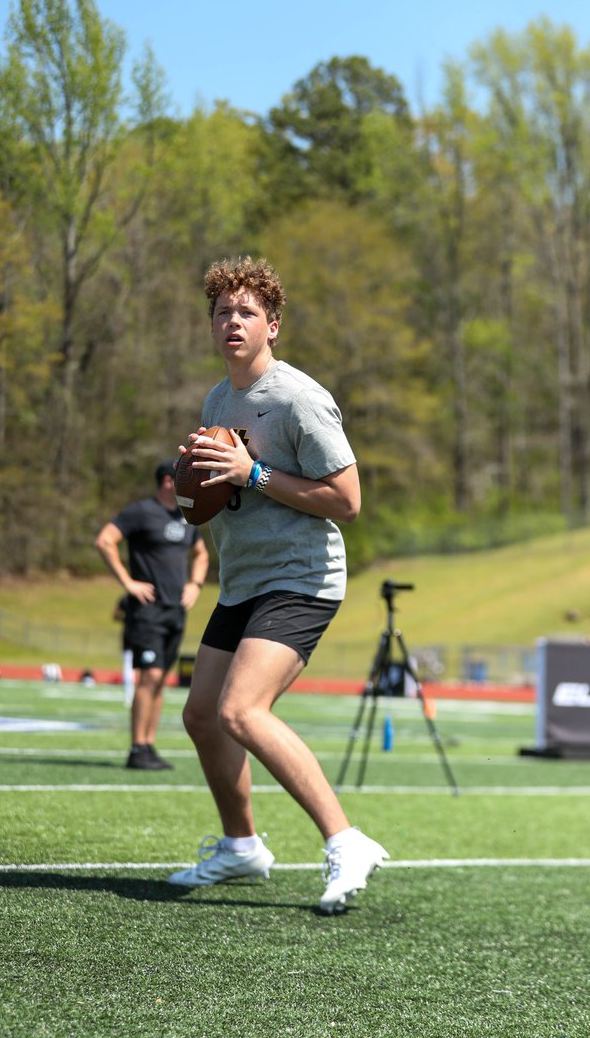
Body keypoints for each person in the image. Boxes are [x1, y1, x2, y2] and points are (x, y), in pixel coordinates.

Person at [167, 256, 388, 914]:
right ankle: (241, 849)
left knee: (242, 711)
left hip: (302, 578)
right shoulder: (217, 399)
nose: (231, 322)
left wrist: (250, 473)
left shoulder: (299, 398)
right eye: (221, 313)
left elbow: (347, 501)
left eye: (246, 313)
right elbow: (214, 492)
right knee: (203, 716)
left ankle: (347, 841)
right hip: (242, 583)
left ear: (274, 326)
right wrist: (197, 488)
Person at [95, 460, 209, 771]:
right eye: (183, 479)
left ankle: (149, 746)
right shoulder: (140, 512)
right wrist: (128, 583)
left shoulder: (188, 517)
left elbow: (201, 554)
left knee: (161, 682)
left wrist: (195, 585)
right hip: (147, 611)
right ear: (167, 482)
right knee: (151, 676)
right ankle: (136, 748)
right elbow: (105, 540)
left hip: (176, 611)